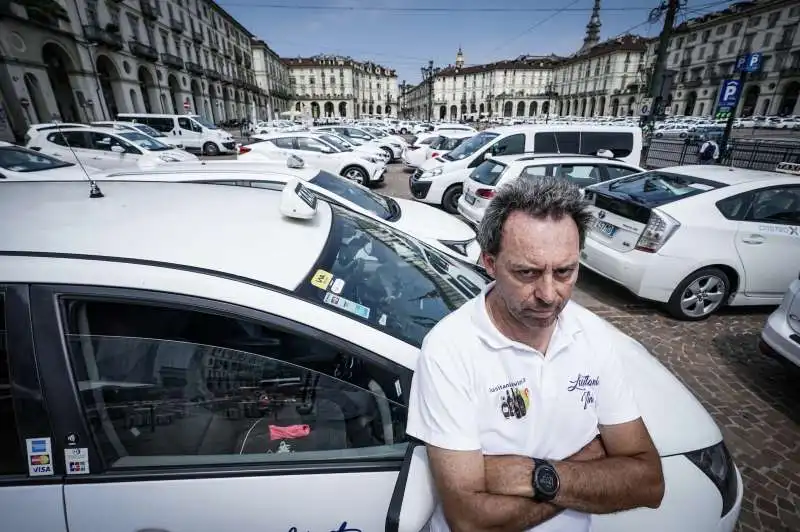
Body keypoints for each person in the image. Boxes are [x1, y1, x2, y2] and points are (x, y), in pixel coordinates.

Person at [406, 176, 664, 532]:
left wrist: (536, 475)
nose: (548, 294)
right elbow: (470, 520)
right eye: (527, 272)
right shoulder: (449, 349)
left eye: (565, 271)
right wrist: (591, 462)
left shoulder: (592, 335)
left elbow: (648, 481)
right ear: (490, 262)